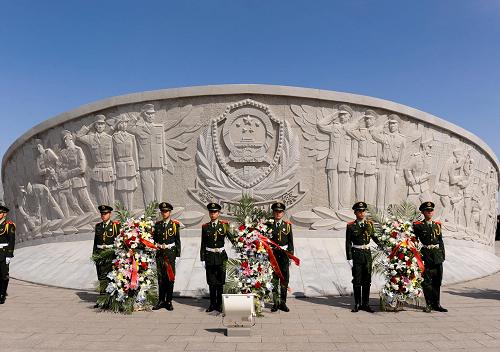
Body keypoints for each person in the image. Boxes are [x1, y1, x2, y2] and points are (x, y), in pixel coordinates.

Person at [345, 201, 380, 313]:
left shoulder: (369, 224)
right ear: (355, 212)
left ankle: (366, 304)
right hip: (356, 254)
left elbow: (374, 237)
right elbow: (348, 242)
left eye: (363, 211)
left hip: (367, 254)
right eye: (359, 211)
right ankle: (357, 304)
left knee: (367, 280)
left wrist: (384, 246)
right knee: (357, 280)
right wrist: (349, 258)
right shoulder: (351, 226)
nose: (362, 213)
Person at [413, 201, 448, 313]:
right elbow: (414, 240)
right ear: (423, 212)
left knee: (437, 281)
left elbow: (440, 240)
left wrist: (442, 255)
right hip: (426, 255)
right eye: (427, 211)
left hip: (437, 256)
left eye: (431, 210)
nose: (430, 212)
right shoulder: (418, 226)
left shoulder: (437, 225)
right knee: (427, 281)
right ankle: (428, 304)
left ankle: (436, 304)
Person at [200, 202, 230, 313]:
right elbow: (203, 244)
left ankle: (220, 304)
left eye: (215, 212)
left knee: (220, 282)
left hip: (221, 257)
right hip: (209, 257)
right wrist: (202, 258)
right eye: (211, 212)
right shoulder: (205, 227)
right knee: (211, 282)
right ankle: (212, 304)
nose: (213, 214)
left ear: (218, 213)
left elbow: (232, 238)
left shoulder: (224, 225)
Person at [153, 202, 181, 311]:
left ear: (170, 212)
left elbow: (177, 241)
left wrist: (177, 256)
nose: (164, 213)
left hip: (170, 254)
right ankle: (161, 300)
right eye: (163, 211)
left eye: (166, 211)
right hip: (160, 253)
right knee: (161, 278)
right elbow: (154, 240)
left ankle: (169, 301)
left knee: (170, 278)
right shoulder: (158, 225)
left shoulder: (174, 225)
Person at [268, 201, 294, 312]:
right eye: (276, 212)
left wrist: (290, 256)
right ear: (273, 212)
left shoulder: (287, 226)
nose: (278, 214)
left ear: (283, 213)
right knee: (274, 280)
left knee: (284, 280)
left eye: (280, 212)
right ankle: (275, 303)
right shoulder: (268, 225)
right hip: (273, 255)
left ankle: (283, 303)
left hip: (283, 255)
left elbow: (290, 242)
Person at [92, 205, 120, 308]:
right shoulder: (98, 226)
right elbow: (95, 242)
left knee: (110, 277)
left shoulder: (115, 226)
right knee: (101, 277)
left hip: (110, 254)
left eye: (105, 214)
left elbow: (118, 242)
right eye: (102, 214)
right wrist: (94, 255)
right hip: (100, 253)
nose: (103, 216)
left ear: (109, 214)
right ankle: (102, 299)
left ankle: (110, 299)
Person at [0, 205, 15, 304]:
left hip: (4, 252)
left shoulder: (9, 225)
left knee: (3, 274)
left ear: (4, 214)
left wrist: (9, 255)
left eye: (0, 213)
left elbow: (12, 241)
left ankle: (2, 294)